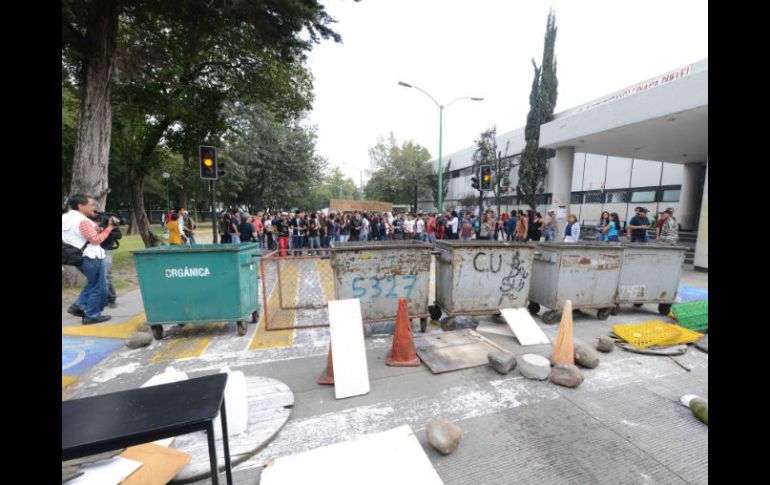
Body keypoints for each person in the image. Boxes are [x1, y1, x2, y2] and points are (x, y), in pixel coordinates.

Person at [62, 194, 119, 324]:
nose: (93, 207)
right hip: (91, 256)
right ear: (80, 206)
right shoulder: (83, 221)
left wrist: (95, 229)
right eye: (91, 204)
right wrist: (110, 228)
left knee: (94, 282)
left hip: (76, 255)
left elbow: (77, 234)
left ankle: (79, 306)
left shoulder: (65, 218)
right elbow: (96, 240)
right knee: (99, 286)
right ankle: (92, 315)